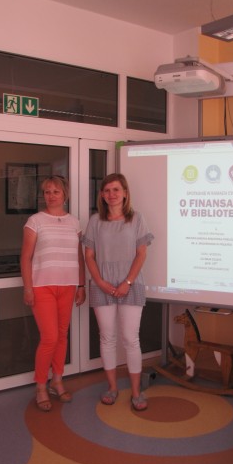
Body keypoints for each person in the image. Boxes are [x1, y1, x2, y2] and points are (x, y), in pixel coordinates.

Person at [83, 173, 153, 411]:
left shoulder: (137, 219)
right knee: (107, 338)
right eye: (107, 190)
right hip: (101, 285)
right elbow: (89, 256)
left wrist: (128, 282)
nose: (111, 194)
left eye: (116, 189)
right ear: (102, 195)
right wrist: (100, 282)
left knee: (131, 339)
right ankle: (112, 388)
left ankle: (136, 392)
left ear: (125, 193)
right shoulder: (95, 221)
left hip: (130, 284)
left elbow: (141, 254)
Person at [21, 175, 86, 412]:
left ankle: (57, 380)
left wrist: (81, 285)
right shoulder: (35, 221)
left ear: (64, 194)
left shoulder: (74, 223)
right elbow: (25, 257)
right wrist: (28, 287)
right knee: (49, 337)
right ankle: (41, 385)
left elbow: (78, 256)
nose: (51, 195)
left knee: (61, 336)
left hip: (68, 286)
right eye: (47, 191)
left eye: (56, 191)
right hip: (42, 286)